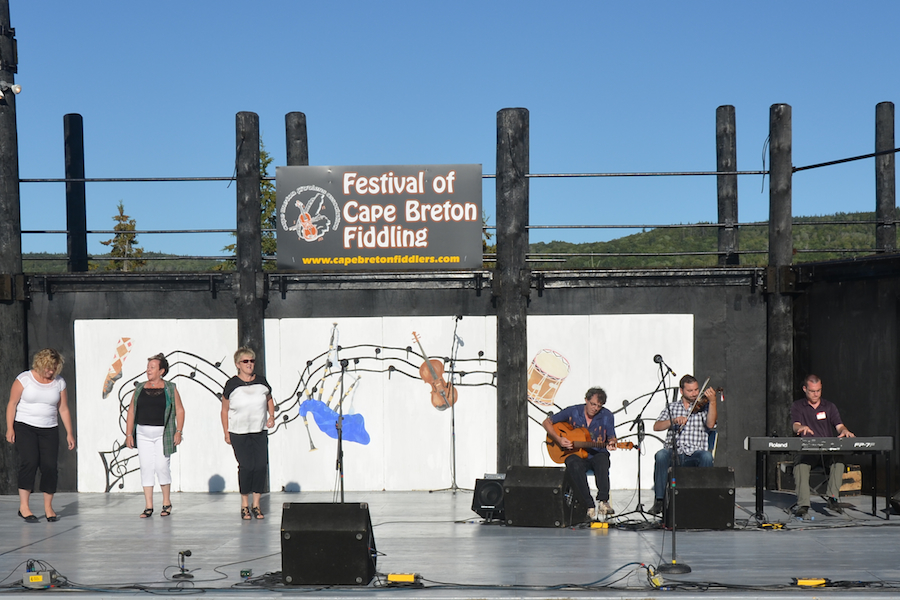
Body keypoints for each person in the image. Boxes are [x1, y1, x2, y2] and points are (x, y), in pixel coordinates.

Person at [5, 349, 76, 523]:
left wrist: (69, 433)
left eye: (53, 368)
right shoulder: (24, 379)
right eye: (47, 367)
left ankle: (48, 507)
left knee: (49, 466)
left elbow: (63, 408)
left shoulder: (59, 383)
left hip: (49, 428)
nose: (50, 371)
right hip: (25, 426)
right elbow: (12, 404)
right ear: (39, 364)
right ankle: (24, 507)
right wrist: (9, 428)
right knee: (30, 461)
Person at [542, 387, 617, 519]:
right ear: (586, 400)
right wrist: (559, 439)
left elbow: (611, 436)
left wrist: (612, 442)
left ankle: (603, 502)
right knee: (572, 463)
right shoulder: (573, 411)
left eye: (599, 406)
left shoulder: (607, 415)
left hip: (597, 453)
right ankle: (588, 504)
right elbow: (547, 422)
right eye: (593, 404)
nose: (595, 408)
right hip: (577, 455)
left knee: (602, 461)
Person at [125, 353, 185, 518]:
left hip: (162, 434)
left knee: (161, 466)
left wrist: (179, 431)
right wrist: (129, 433)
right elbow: (131, 410)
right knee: (146, 467)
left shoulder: (170, 388)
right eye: (148, 367)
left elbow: (179, 409)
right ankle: (148, 505)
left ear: (161, 371)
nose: (148, 370)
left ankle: (166, 502)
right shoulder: (139, 388)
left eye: (152, 367)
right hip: (143, 433)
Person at [649, 374, 717, 515]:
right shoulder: (672, 407)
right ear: (682, 391)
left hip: (694, 453)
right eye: (690, 391)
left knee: (706, 457)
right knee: (661, 455)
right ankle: (659, 501)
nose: (695, 394)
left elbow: (710, 424)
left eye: (696, 390)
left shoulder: (704, 408)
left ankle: (703, 499)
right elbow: (657, 426)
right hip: (674, 452)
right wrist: (673, 420)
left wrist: (713, 402)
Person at [221, 347, 275, 520]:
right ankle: (244, 504)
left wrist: (271, 416)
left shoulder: (261, 381)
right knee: (246, 467)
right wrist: (226, 431)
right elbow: (224, 409)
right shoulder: (232, 384)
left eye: (252, 361)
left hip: (259, 430)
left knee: (260, 466)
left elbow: (269, 399)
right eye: (245, 361)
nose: (249, 364)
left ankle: (256, 505)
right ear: (238, 364)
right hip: (239, 431)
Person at [790, 374, 854, 517]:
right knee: (800, 465)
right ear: (805, 389)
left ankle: (832, 498)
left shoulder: (829, 406)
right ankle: (803, 505)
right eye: (812, 391)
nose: (816, 394)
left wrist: (845, 431)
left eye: (818, 390)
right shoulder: (798, 406)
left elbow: (839, 426)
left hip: (826, 451)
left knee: (838, 460)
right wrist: (800, 428)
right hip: (807, 451)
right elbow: (795, 424)